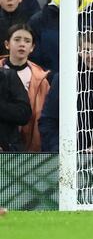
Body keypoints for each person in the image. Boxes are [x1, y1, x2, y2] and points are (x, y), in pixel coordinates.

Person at [2, 23, 50, 152]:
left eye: (27, 41)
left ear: (32, 47)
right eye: (17, 39)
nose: (22, 44)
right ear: (7, 44)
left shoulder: (41, 79)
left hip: (29, 146)